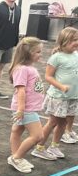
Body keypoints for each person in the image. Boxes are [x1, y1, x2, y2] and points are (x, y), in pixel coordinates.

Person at [31, 27, 78, 160]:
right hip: (59, 97)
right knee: (53, 122)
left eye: (77, 40)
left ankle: (54, 146)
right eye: (74, 40)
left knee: (63, 124)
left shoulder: (75, 54)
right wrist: (61, 86)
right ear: (64, 41)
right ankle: (39, 148)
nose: (77, 42)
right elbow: (48, 77)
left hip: (72, 97)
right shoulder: (56, 57)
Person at [7, 37, 44, 172]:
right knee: (38, 136)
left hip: (27, 108)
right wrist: (21, 109)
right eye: (38, 52)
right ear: (28, 53)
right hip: (26, 109)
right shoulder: (22, 69)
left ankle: (16, 156)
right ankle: (16, 157)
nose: (40, 54)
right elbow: (20, 90)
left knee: (17, 131)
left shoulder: (28, 68)